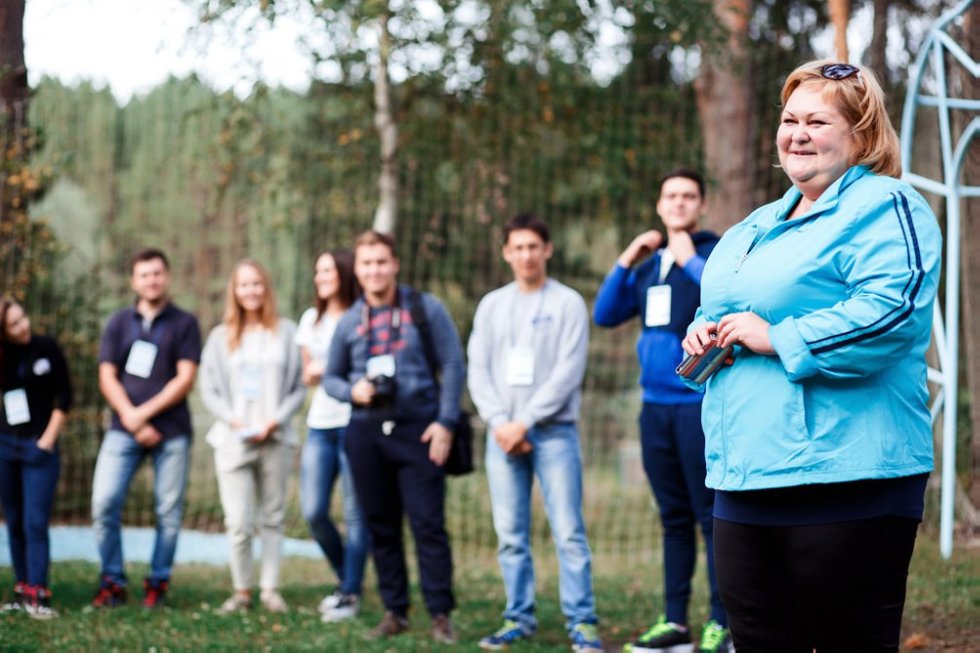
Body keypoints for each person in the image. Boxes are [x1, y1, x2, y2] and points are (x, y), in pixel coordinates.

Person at [680, 60, 941, 651]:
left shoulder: (887, 205)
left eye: (817, 121)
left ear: (862, 135)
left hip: (847, 477)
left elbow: (891, 315)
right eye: (789, 118)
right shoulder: (754, 224)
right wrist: (704, 330)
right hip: (743, 477)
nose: (797, 133)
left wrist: (772, 336)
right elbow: (728, 309)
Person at [594, 169, 729, 653]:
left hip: (696, 407)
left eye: (688, 196)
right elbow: (605, 314)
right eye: (670, 195)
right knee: (672, 517)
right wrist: (628, 258)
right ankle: (675, 623)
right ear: (659, 204)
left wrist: (692, 261)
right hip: (653, 410)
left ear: (702, 206)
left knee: (711, 516)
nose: (679, 203)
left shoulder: (715, 256)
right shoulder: (649, 266)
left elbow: (726, 296)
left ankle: (721, 622)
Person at [467, 214, 604, 653]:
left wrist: (523, 422)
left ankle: (582, 622)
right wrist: (500, 423)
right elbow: (478, 368)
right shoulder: (491, 305)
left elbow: (568, 372)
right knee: (510, 534)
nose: (526, 255)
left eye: (533, 246)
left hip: (553, 434)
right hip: (501, 435)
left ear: (547, 250)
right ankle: (518, 617)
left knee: (568, 532)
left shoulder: (567, 303)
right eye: (517, 247)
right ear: (506, 252)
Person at [323, 230, 463, 645]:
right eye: (366, 264)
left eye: (381, 261)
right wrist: (352, 391)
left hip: (420, 429)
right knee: (380, 525)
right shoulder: (349, 320)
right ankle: (394, 610)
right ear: (358, 270)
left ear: (395, 263)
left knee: (427, 524)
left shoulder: (425, 308)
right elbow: (329, 377)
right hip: (366, 430)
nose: (374, 270)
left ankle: (440, 613)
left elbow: (453, 365)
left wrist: (447, 422)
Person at [91, 248, 201, 609]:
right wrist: (130, 417)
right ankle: (112, 581)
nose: (151, 280)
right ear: (133, 281)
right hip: (123, 430)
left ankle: (158, 582)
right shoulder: (119, 323)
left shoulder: (185, 323)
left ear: (167, 276)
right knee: (104, 502)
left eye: (157, 273)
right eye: (144, 275)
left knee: (168, 512)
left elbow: (185, 379)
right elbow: (107, 375)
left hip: (171, 432)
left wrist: (144, 415)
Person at [199, 259, 305, 614]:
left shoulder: (286, 332)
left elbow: (298, 386)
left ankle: (270, 589)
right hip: (234, 440)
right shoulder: (220, 337)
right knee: (239, 522)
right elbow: (209, 387)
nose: (251, 291)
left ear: (266, 288)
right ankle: (241, 590)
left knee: (273, 518)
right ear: (235, 291)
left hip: (275, 438)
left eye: (257, 284)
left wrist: (276, 420)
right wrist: (232, 420)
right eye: (244, 285)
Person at [295, 248, 369, 622]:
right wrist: (337, 371)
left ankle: (350, 593)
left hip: (356, 423)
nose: (321, 277)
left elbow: (364, 371)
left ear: (343, 273)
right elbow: (308, 374)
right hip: (321, 424)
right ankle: (348, 579)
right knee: (313, 510)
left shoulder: (363, 316)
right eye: (317, 271)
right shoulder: (312, 319)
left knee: (357, 514)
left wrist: (329, 371)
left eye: (327, 270)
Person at [0, 297, 71, 619]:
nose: (23, 325)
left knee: (35, 522)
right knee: (14, 521)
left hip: (39, 447)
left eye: (23, 317)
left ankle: (40, 592)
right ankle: (21, 587)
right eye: (13, 324)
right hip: (6, 446)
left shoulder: (46, 347)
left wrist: (47, 440)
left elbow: (65, 395)